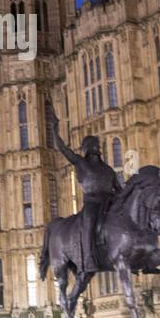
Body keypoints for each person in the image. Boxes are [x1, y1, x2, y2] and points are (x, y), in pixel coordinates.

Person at [46, 102, 122, 270]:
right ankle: (88, 258)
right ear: (87, 149)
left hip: (110, 203)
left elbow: (120, 191)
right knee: (88, 222)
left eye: (97, 145)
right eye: (93, 145)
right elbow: (63, 149)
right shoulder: (81, 162)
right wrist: (54, 130)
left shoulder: (107, 169)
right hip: (93, 203)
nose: (95, 148)